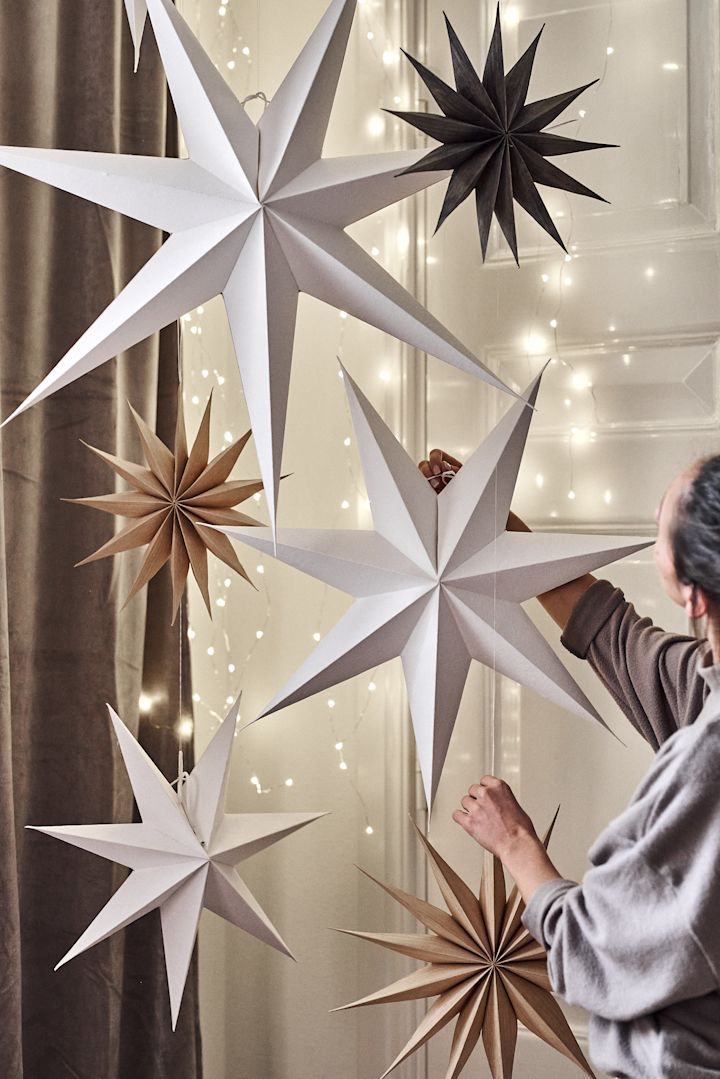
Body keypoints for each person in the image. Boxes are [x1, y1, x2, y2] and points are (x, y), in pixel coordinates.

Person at [419, 448, 720, 1079]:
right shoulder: (703, 691)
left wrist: (516, 844)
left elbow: (600, 948)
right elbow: (612, 635)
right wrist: (500, 529)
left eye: (664, 514)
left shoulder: (711, 758)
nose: (654, 512)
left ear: (691, 593)